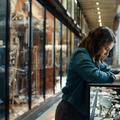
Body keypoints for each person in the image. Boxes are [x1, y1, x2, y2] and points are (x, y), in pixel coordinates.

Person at [55, 26, 120, 120]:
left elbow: (106, 70)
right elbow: (94, 75)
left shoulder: (93, 58)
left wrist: (116, 73)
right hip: (69, 111)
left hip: (79, 111)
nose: (107, 53)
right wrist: (115, 77)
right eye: (106, 48)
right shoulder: (81, 54)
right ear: (98, 43)